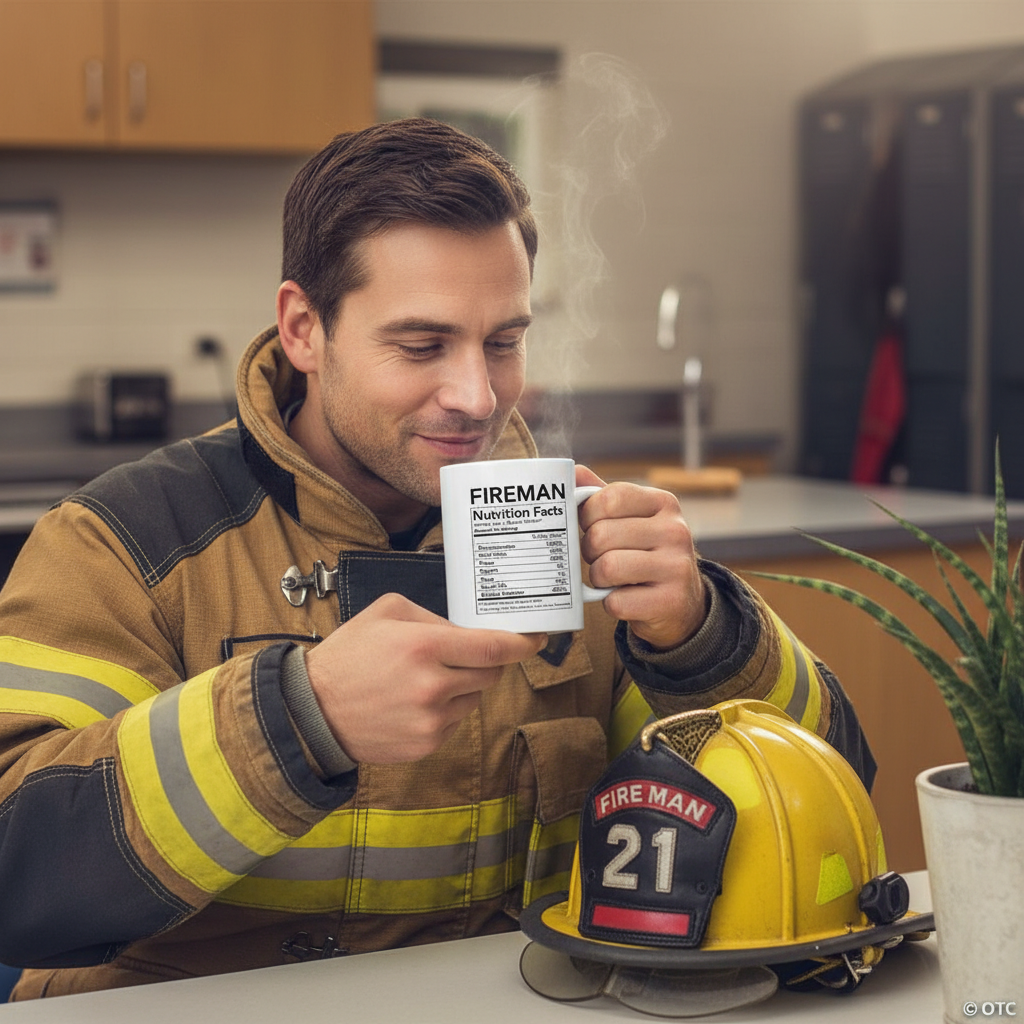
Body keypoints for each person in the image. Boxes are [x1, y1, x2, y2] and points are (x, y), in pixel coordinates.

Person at [0, 118, 873, 1000]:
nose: (477, 396)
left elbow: (833, 806)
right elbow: (15, 871)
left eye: (504, 341)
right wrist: (299, 717)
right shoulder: (123, 541)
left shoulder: (574, 542)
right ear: (304, 329)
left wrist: (704, 638)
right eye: (421, 346)